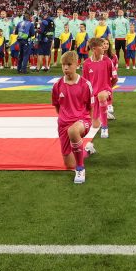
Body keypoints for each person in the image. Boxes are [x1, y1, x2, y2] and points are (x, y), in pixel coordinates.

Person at [51, 50, 96, 184]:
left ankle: (81, 169)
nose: (65, 68)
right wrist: (64, 118)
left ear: (77, 64)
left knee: (73, 131)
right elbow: (57, 106)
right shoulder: (57, 86)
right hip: (63, 124)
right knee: (68, 164)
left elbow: (90, 106)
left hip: (82, 121)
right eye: (63, 65)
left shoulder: (85, 84)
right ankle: (87, 149)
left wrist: (89, 123)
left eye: (69, 64)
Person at [81, 38, 117, 138]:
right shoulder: (87, 63)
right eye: (101, 46)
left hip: (105, 91)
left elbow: (115, 78)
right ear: (94, 49)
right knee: (95, 125)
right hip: (93, 95)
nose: (103, 48)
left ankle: (105, 128)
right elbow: (85, 83)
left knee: (102, 96)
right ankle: (103, 113)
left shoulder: (107, 60)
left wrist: (108, 88)